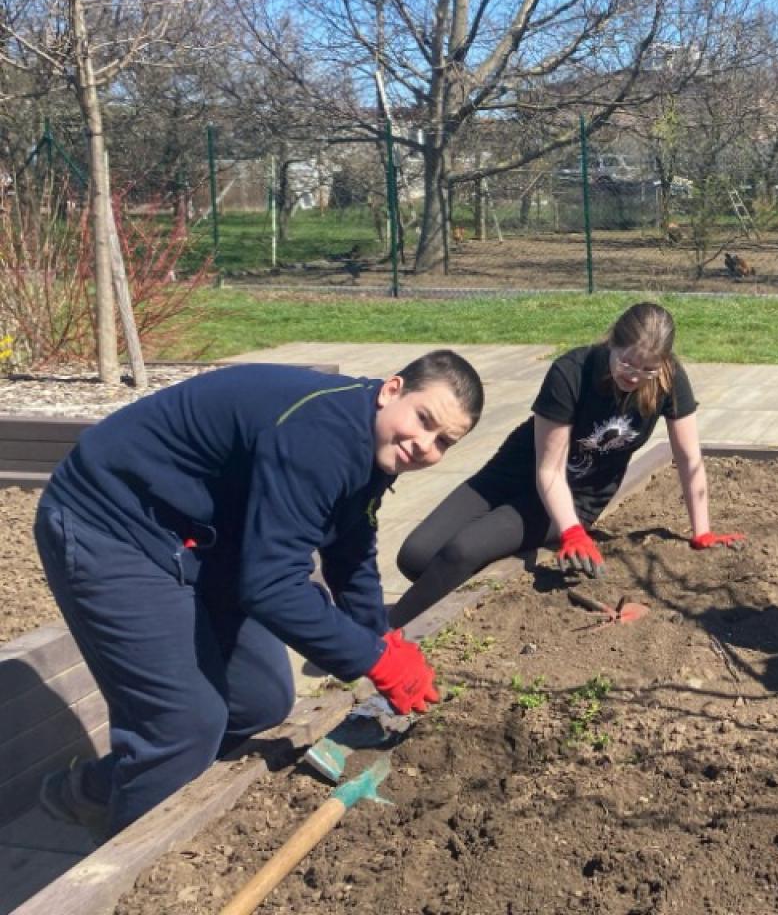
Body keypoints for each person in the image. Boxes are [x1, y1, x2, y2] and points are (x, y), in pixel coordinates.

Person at [34, 350, 484, 838]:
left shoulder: (375, 441)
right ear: (392, 390)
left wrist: (378, 635)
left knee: (260, 701)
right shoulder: (322, 434)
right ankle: (125, 861)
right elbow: (271, 586)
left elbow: (351, 548)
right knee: (185, 726)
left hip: (198, 536)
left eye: (444, 441)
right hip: (111, 521)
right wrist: (374, 660)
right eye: (424, 420)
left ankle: (101, 789)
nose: (424, 444)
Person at [388, 302, 741, 628]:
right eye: (627, 363)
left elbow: (688, 458)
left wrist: (702, 532)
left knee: (461, 551)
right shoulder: (572, 372)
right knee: (416, 556)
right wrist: (572, 535)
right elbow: (549, 469)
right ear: (612, 343)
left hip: (573, 498)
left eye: (648, 369)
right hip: (515, 474)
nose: (635, 376)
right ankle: (438, 607)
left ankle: (385, 633)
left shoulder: (669, 380)